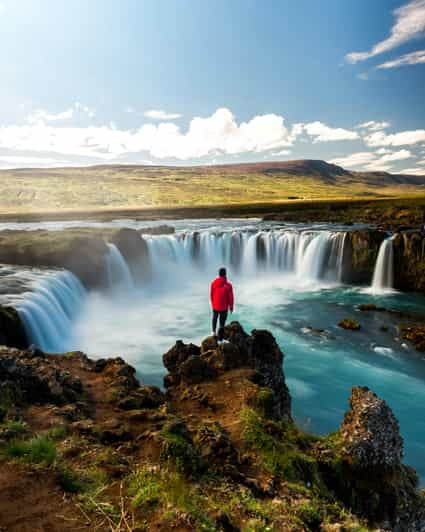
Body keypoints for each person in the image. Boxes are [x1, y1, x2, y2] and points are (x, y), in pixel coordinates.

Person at [210, 267, 234, 344]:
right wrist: (231, 307)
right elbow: (231, 297)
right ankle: (220, 340)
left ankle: (213, 332)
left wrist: (213, 303)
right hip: (224, 307)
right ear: (225, 274)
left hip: (215, 305)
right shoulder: (228, 285)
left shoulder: (213, 283)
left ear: (219, 274)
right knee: (222, 323)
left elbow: (211, 294)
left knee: (214, 318)